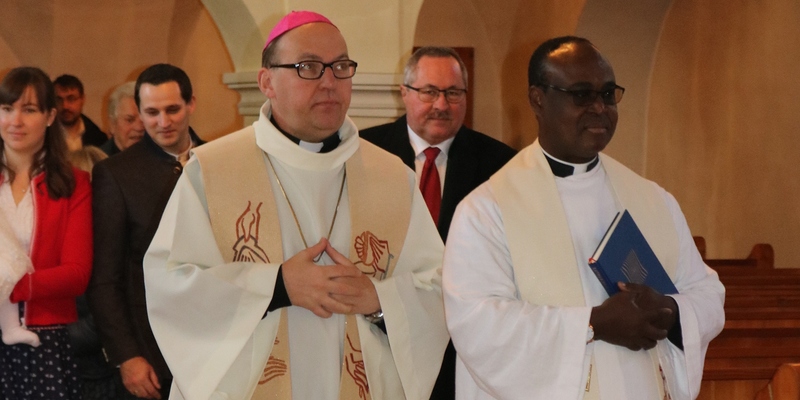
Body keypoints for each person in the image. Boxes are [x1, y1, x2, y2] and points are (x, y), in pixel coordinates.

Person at [143, 11, 449, 400]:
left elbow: (439, 289)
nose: (329, 81)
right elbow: (171, 284)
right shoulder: (213, 170)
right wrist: (277, 287)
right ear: (266, 82)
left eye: (341, 67)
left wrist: (380, 301)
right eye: (308, 67)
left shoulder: (391, 176)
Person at [442, 36, 726, 400]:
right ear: (538, 99)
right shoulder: (487, 211)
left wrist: (670, 310)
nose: (599, 108)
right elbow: (480, 325)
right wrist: (593, 325)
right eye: (581, 95)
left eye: (608, 94)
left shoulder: (654, 200)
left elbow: (707, 293)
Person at [360, 46, 515, 399]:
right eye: (429, 91)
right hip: (380, 335)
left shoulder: (500, 164)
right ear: (404, 93)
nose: (441, 104)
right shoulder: (364, 152)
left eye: (453, 93)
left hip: (460, 345)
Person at [87, 63, 203, 400]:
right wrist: (126, 356)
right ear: (139, 112)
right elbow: (105, 278)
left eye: (172, 110)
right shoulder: (115, 173)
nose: (163, 122)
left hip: (215, 341)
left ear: (191, 104)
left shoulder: (220, 159)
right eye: (151, 113)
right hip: (151, 352)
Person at [0, 66, 93, 399]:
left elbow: (76, 274)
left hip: (44, 339)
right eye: (6, 108)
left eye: (29, 110)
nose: (15, 121)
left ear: (50, 116)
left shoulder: (73, 184)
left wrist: (11, 287)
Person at [54, 74, 108, 151]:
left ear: (82, 99)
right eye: (59, 100)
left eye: (71, 99)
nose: (65, 106)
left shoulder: (97, 137)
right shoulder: (44, 135)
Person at [100, 81, 145, 156]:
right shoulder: (98, 160)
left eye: (143, 119)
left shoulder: (162, 156)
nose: (139, 127)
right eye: (130, 120)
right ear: (112, 124)